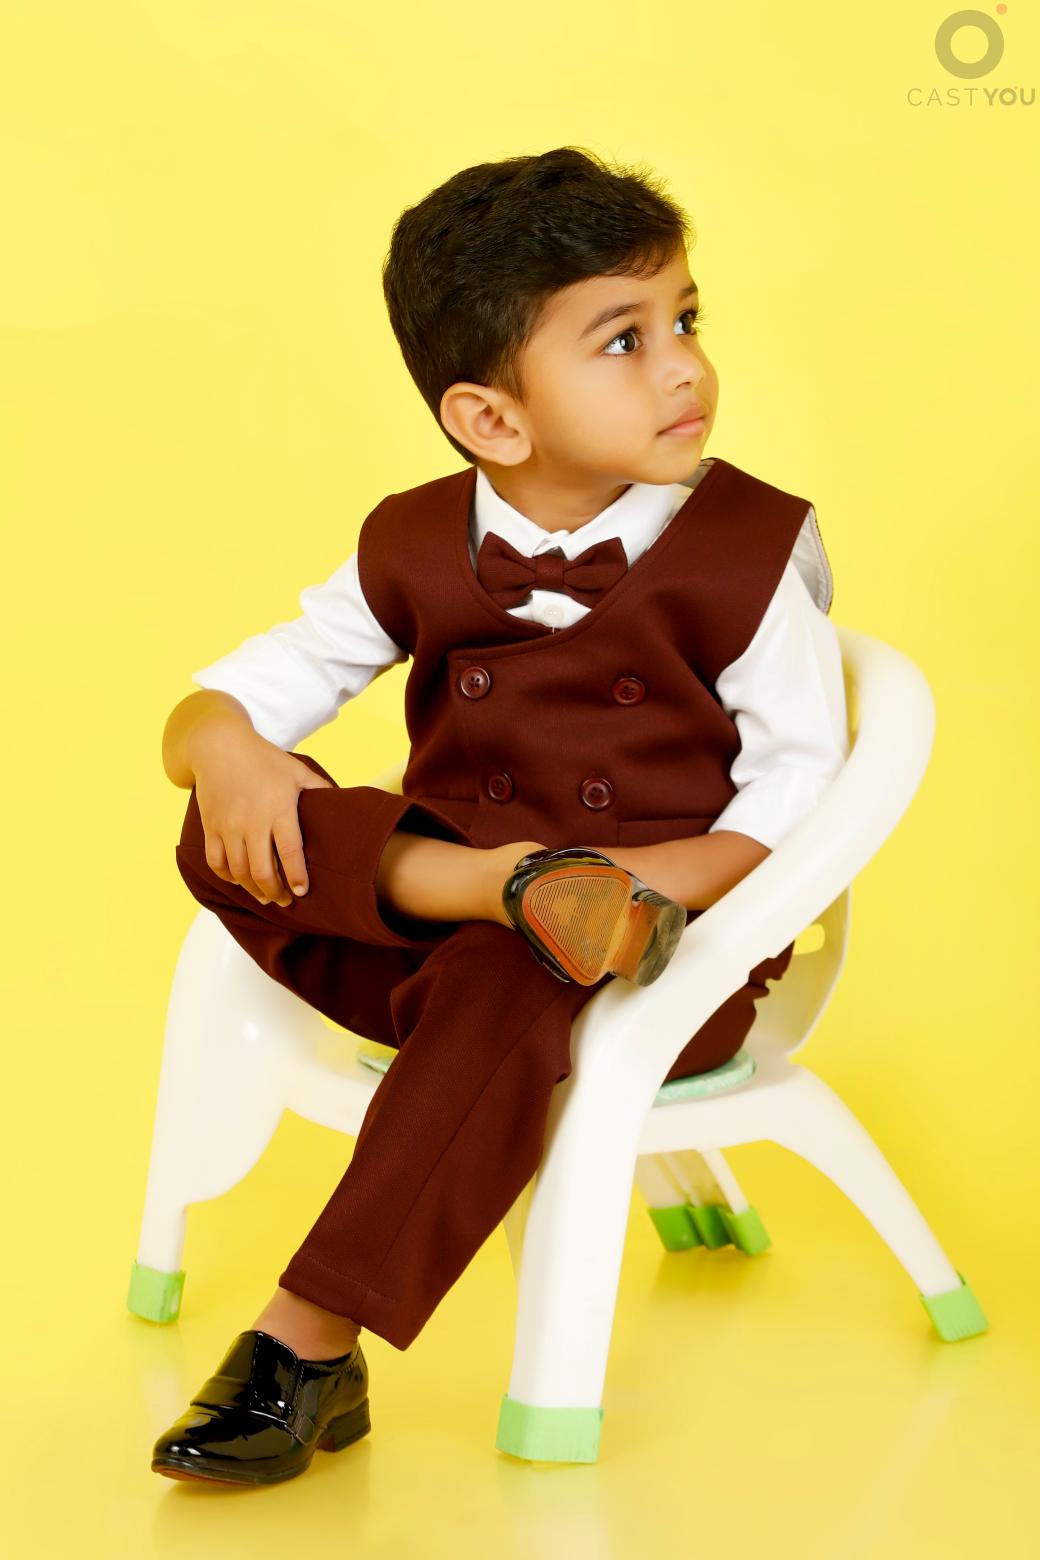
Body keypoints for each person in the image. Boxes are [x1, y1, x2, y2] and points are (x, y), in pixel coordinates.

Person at [150, 146, 848, 1485]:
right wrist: (223, 748)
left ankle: (308, 1340)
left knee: (518, 973)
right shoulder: (413, 539)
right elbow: (221, 705)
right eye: (625, 341)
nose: (685, 368)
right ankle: (500, 886)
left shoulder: (753, 551)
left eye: (686, 319)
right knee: (226, 823)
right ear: (491, 419)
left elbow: (802, 793)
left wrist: (650, 883)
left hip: (665, 961)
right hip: (442, 924)